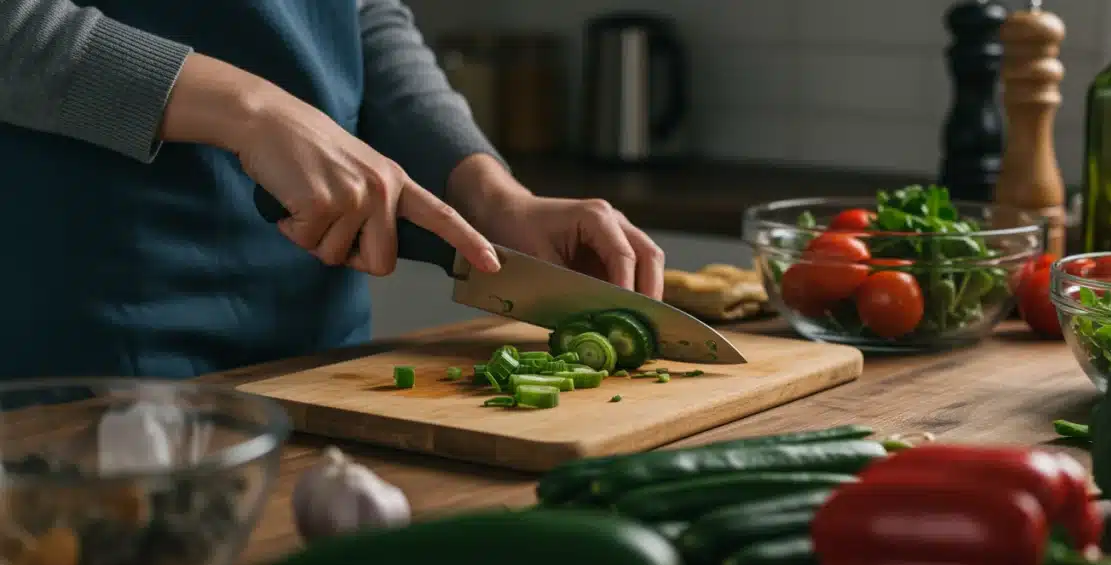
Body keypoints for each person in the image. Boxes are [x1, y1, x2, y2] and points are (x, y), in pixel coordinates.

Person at [0, 0, 666, 380]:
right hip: (90, 329)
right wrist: (251, 109)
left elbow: (362, 15)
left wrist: (490, 193)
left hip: (320, 343)